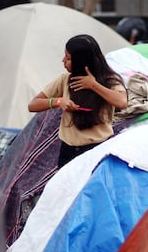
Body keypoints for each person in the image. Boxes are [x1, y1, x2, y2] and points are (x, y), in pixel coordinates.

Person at [27, 34, 128, 168]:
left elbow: (122, 102)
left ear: (81, 60)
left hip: (97, 149)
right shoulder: (65, 80)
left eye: (68, 58)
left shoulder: (109, 80)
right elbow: (33, 105)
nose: (63, 61)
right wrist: (58, 101)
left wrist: (94, 85)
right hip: (68, 151)